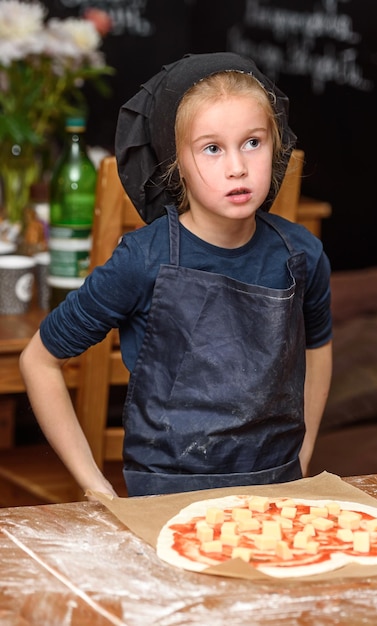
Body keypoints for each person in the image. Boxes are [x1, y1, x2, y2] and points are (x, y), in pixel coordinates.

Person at [20, 52, 333, 498]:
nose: (237, 167)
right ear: (176, 162)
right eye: (211, 148)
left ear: (276, 146)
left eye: (252, 142)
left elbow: (318, 346)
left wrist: (302, 458)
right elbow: (39, 360)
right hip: (166, 500)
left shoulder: (302, 254)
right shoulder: (141, 260)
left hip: (275, 499)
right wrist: (95, 487)